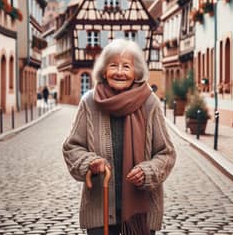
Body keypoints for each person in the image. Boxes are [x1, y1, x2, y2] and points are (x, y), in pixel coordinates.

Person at [62, 39, 176, 235]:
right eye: (113, 65)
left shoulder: (150, 103)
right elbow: (72, 147)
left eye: (126, 66)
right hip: (100, 205)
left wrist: (147, 171)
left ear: (136, 72)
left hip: (141, 212)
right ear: (104, 71)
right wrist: (90, 162)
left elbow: (166, 153)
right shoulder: (89, 102)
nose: (120, 72)